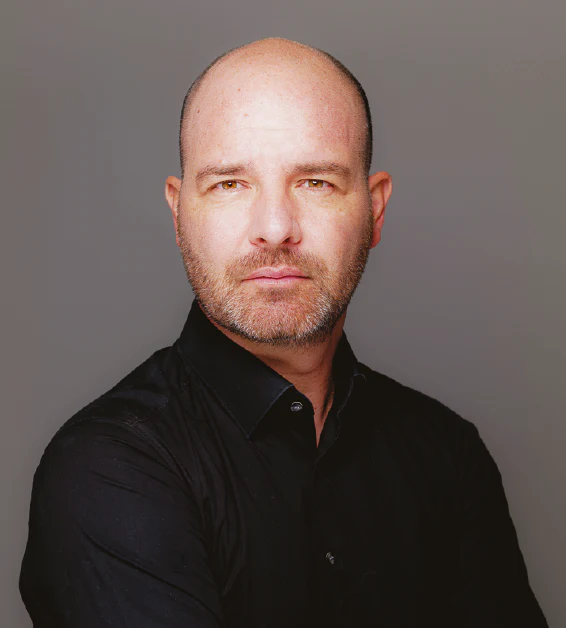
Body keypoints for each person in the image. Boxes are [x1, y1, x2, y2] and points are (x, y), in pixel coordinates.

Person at [19, 37, 548, 627]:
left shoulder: (448, 454)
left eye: (316, 182)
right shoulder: (107, 467)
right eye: (229, 184)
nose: (274, 228)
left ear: (374, 211)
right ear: (178, 214)